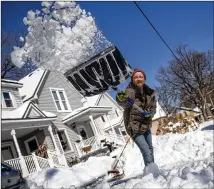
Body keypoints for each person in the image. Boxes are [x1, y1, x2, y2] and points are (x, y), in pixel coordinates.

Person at [116, 68, 156, 168]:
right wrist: (120, 99)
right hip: (134, 127)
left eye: (141, 77)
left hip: (145, 125)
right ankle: (152, 172)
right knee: (146, 150)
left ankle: (151, 168)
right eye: (136, 77)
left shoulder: (150, 93)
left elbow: (153, 107)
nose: (139, 79)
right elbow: (125, 104)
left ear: (144, 79)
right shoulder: (130, 91)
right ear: (132, 79)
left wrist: (150, 114)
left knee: (150, 148)